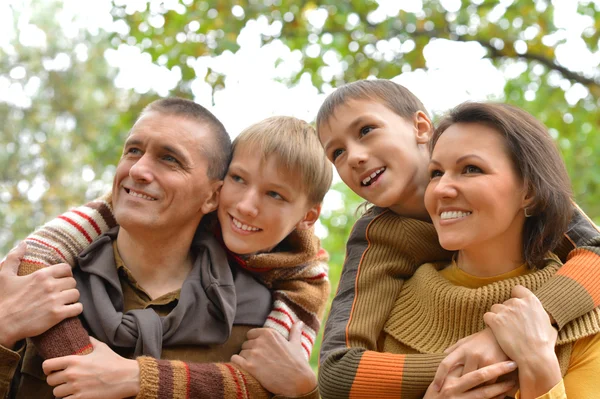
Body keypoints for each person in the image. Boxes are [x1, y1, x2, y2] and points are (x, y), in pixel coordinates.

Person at [0, 99, 332, 398]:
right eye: (132, 151)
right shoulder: (38, 284)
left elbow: (272, 382)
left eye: (169, 159)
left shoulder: (259, 315)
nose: (138, 170)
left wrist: (305, 391)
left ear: (212, 196)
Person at [316, 81, 600, 398]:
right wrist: (466, 365)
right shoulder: (376, 237)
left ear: (420, 127)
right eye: (337, 152)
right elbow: (337, 369)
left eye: (366, 130)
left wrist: (509, 334)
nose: (353, 156)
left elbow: (596, 251)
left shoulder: (521, 188)